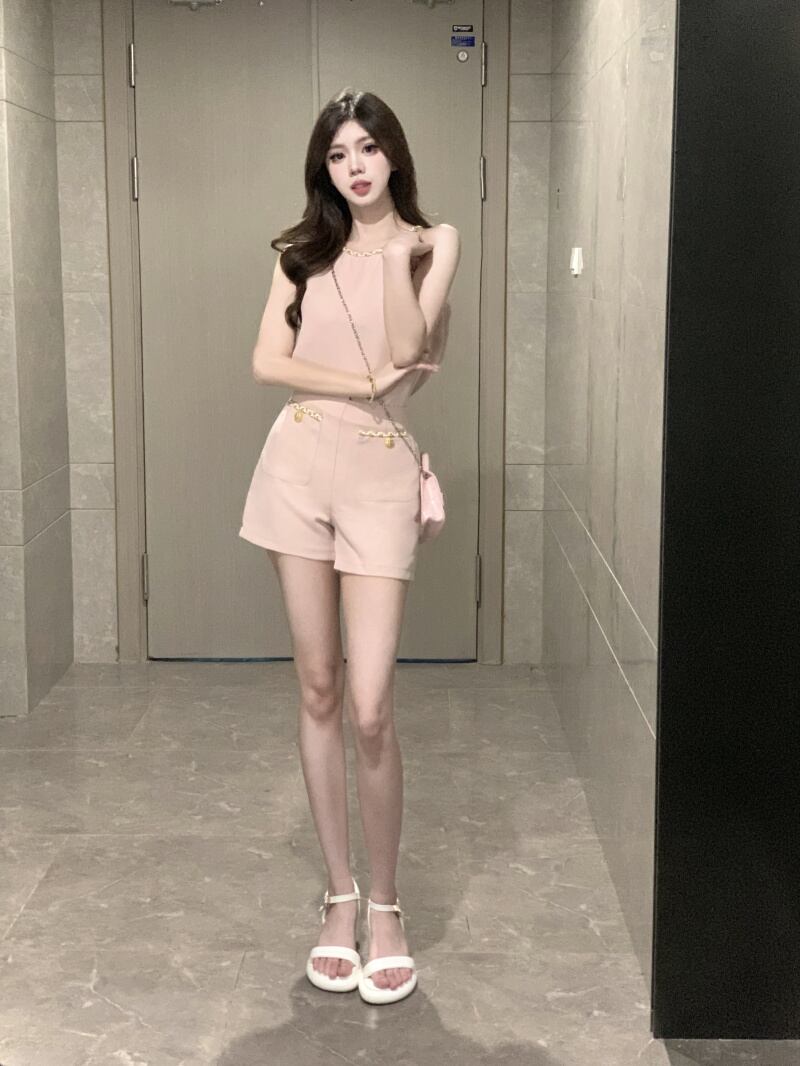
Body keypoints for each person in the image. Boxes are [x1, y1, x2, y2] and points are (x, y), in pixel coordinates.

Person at [238, 87, 460, 1004]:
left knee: (370, 706)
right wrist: (357, 380)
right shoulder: (300, 251)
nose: (355, 166)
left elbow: (411, 344)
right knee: (319, 688)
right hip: (296, 463)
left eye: (368, 147)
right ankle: (339, 896)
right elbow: (267, 363)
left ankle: (388, 905)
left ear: (393, 154)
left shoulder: (433, 244)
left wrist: (404, 257)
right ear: (323, 168)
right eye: (337, 154)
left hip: (378, 471)